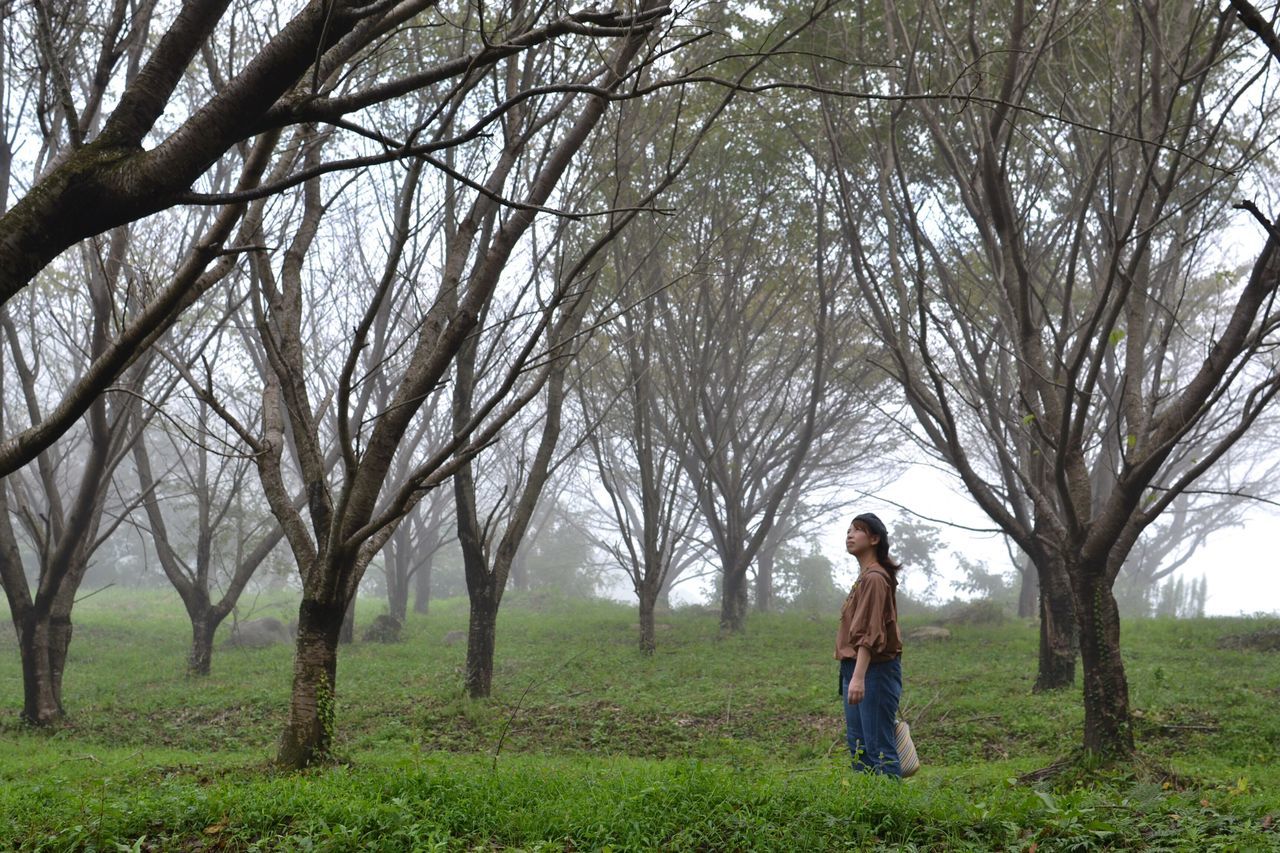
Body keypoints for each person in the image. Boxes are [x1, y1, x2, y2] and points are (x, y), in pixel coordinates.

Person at [835, 512, 903, 776]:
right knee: (860, 748)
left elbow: (869, 632)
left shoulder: (875, 578)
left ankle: (892, 812)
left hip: (873, 671)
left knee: (879, 749)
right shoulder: (866, 577)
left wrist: (859, 677)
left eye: (857, 530)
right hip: (855, 669)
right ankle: (866, 811)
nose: (849, 535)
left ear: (874, 538)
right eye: (848, 530)